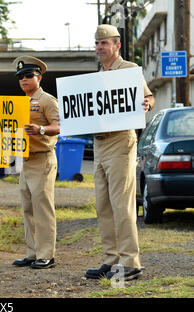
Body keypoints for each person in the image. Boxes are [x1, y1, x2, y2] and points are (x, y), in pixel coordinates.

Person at [85, 24, 154, 281]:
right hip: (99, 145)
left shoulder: (129, 70)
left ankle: (130, 262)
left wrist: (146, 103)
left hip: (120, 142)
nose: (99, 48)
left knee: (122, 205)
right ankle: (111, 259)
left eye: (104, 43)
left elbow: (149, 97)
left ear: (117, 45)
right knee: (103, 205)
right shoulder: (98, 74)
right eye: (96, 44)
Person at [11, 56, 60, 269]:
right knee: (27, 208)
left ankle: (46, 254)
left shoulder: (47, 100)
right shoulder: (18, 103)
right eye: (20, 76)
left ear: (39, 77)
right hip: (25, 159)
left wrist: (40, 129)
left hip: (43, 158)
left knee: (43, 208)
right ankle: (32, 253)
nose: (24, 79)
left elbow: (59, 126)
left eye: (28, 75)